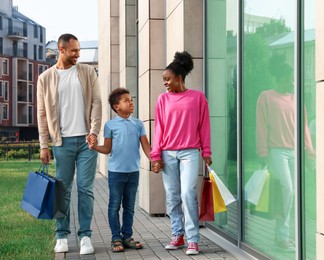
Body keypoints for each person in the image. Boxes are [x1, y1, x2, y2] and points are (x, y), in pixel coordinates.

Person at [37, 33, 102, 255]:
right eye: (74, 51)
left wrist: (94, 132)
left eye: (79, 51)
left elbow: (96, 102)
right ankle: (61, 235)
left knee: (86, 189)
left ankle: (85, 236)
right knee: (62, 190)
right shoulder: (45, 78)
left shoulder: (87, 72)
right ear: (61, 49)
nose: (77, 55)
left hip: (86, 142)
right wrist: (43, 145)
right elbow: (42, 113)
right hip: (61, 142)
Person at [150, 51, 212, 255]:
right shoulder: (162, 100)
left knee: (187, 193)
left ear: (179, 78)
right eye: (163, 80)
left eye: (167, 79)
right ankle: (177, 235)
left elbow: (204, 126)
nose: (165, 83)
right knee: (173, 196)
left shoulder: (198, 97)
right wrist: (156, 155)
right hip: (168, 153)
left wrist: (206, 151)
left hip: (190, 153)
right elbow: (159, 128)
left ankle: (193, 239)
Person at [256, 60, 315, 251]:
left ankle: (282, 235)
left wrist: (309, 151)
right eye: (290, 79)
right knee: (288, 190)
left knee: (291, 193)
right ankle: (282, 236)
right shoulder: (266, 97)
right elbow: (262, 126)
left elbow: (304, 127)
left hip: (295, 151)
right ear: (281, 77)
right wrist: (263, 152)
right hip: (277, 151)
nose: (292, 83)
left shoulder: (296, 99)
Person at [88, 88, 151, 252]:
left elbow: (146, 146)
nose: (131, 102)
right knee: (114, 206)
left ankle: (127, 236)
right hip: (116, 173)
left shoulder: (138, 124)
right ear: (116, 106)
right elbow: (107, 148)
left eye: (131, 99)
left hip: (133, 172)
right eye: (126, 100)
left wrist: (155, 161)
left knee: (129, 207)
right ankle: (116, 238)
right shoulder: (110, 125)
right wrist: (95, 147)